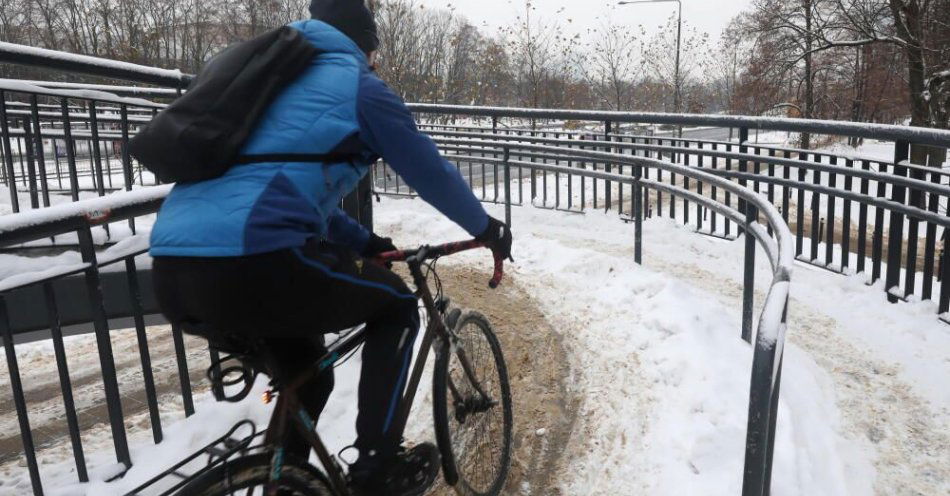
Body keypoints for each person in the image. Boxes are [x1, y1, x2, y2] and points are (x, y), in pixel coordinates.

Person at [149, 1, 512, 494]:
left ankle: (284, 482)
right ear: (364, 46)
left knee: (309, 377)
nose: (375, 62)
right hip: (255, 261)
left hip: (173, 270)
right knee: (399, 306)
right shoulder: (358, 86)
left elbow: (282, 188)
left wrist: (366, 241)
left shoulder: (267, 87)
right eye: (374, 52)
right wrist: (486, 227)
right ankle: (376, 467)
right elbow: (429, 170)